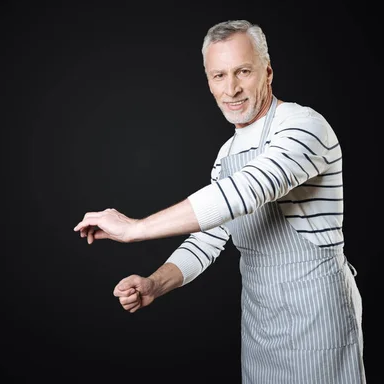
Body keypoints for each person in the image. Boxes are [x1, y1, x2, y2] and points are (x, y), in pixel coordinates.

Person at [74, 19, 365, 384]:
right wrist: (155, 283)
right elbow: (210, 235)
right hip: (261, 322)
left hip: (317, 319)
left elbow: (247, 191)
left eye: (243, 71)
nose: (232, 89)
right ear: (209, 82)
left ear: (268, 72)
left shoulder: (305, 126)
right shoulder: (227, 153)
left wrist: (136, 229)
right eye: (219, 75)